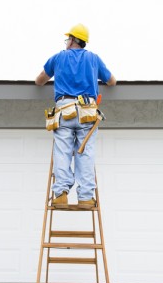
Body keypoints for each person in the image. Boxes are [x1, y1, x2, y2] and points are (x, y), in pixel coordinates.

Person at [35, 23, 116, 208]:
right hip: (87, 110)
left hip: (64, 109)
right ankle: (86, 198)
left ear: (72, 40)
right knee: (85, 152)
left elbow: (39, 80)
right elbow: (112, 81)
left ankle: (61, 195)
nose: (66, 42)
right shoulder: (94, 59)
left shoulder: (58, 57)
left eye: (67, 39)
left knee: (62, 151)